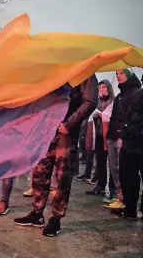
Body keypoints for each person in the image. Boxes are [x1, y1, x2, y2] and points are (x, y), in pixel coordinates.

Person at [14, 75, 98, 237]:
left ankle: (56, 218)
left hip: (66, 132)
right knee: (39, 172)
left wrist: (69, 124)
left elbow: (90, 101)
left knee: (61, 177)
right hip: (46, 129)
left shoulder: (85, 69)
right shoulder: (59, 67)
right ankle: (37, 214)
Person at [105, 69, 141, 211]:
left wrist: (122, 135)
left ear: (129, 74)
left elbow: (131, 118)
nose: (118, 76)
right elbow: (114, 117)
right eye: (116, 74)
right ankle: (120, 197)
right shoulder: (120, 95)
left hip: (125, 138)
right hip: (113, 136)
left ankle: (126, 201)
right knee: (115, 169)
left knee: (126, 171)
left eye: (121, 73)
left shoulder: (136, 93)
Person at [84, 80, 116, 199]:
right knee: (100, 162)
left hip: (109, 136)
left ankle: (113, 189)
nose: (102, 89)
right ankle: (100, 186)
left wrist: (104, 116)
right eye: (100, 88)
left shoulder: (113, 101)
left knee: (112, 163)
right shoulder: (97, 102)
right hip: (98, 135)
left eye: (104, 87)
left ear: (109, 88)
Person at [117, 82, 143, 220]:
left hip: (133, 138)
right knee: (128, 175)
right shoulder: (136, 94)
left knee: (128, 175)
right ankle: (130, 209)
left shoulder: (135, 94)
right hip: (131, 139)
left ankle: (131, 209)